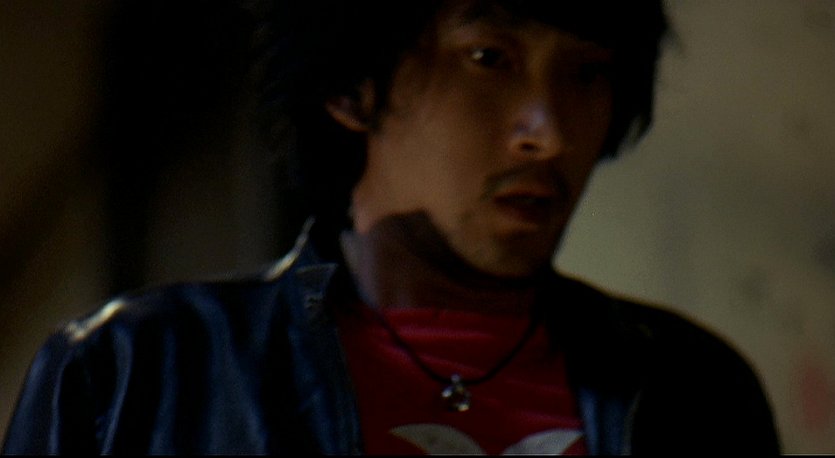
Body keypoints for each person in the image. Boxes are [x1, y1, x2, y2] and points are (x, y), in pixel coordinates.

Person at [3, 0, 780, 454]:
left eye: (587, 73)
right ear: (352, 87)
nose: (546, 132)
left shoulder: (691, 391)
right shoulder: (138, 374)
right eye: (489, 58)